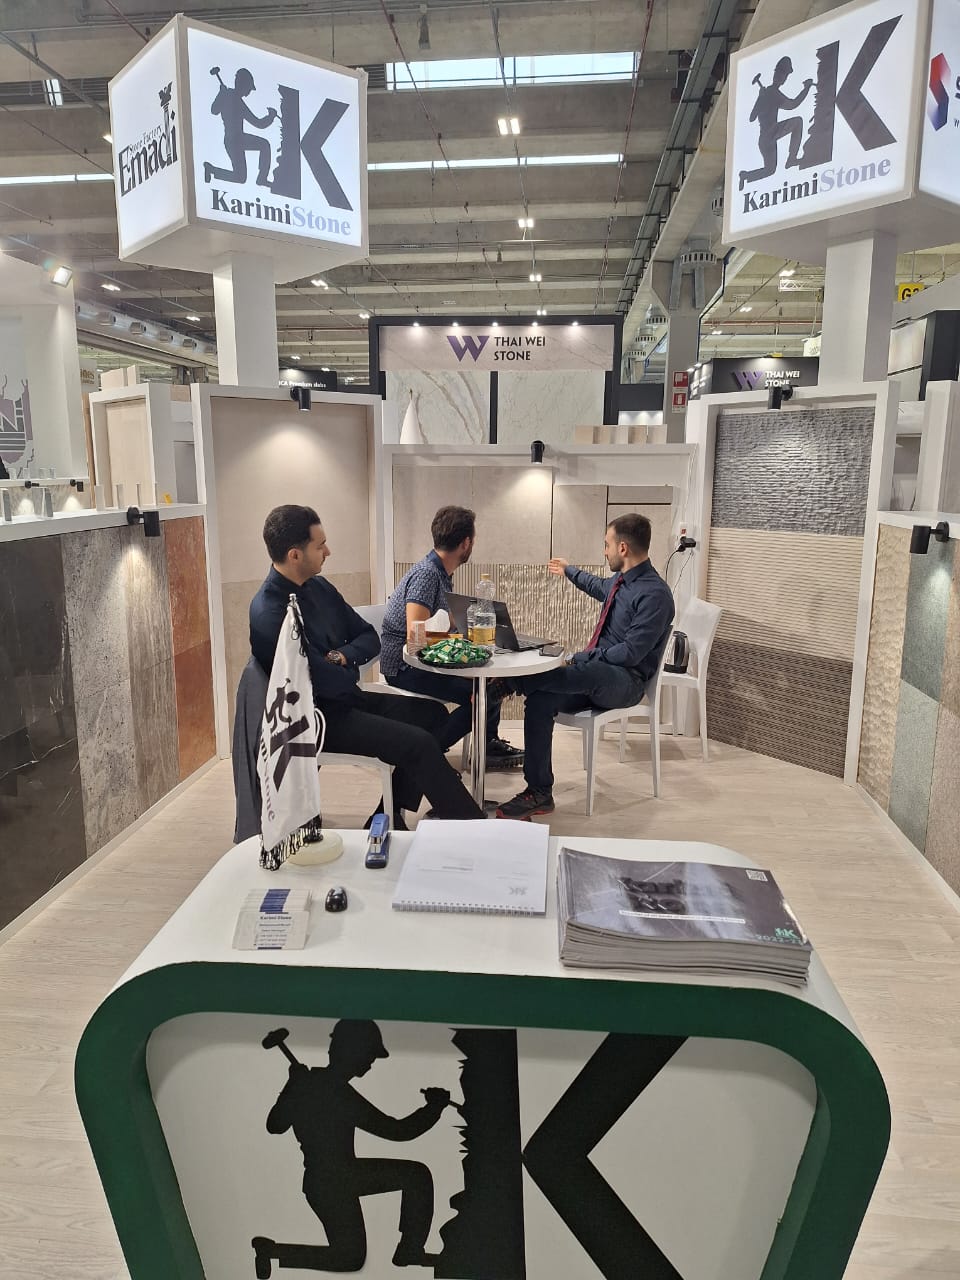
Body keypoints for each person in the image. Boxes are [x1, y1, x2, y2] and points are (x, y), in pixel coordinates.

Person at [249, 504, 485, 827]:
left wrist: (340, 658)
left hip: (345, 699)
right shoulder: (269, 613)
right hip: (314, 720)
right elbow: (317, 680)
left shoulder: (319, 587)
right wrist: (346, 665)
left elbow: (369, 637)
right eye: (320, 545)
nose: (328, 551)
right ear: (295, 555)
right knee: (418, 744)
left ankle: (388, 815)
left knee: (433, 716)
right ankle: (476, 827)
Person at [496, 513, 675, 820]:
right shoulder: (621, 581)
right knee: (540, 700)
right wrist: (569, 570)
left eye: (606, 545)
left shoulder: (655, 594)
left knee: (589, 665)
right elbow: (596, 585)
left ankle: (510, 683)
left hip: (626, 684)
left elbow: (631, 653)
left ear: (622, 548)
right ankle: (539, 792)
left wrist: (583, 658)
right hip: (594, 678)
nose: (604, 551)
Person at [253, 1020, 452, 1275]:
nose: (371, 1063)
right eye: (369, 1055)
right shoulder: (334, 1092)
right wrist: (434, 1108)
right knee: (416, 1176)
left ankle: (273, 1252)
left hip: (328, 1181)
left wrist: (293, 1089)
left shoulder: (318, 1086)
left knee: (350, 1258)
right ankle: (410, 1249)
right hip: (336, 1178)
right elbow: (397, 1131)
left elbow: (275, 1124)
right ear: (353, 1052)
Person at [380, 505, 523, 766]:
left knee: (491, 684)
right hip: (404, 666)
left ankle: (487, 745)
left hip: (420, 659)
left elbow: (438, 626)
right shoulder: (427, 575)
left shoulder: (439, 572)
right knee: (485, 694)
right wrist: (463, 656)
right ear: (466, 543)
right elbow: (416, 637)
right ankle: (423, 756)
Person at [738, 56, 814, 191]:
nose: (783, 78)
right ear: (777, 74)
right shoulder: (773, 93)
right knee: (798, 122)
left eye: (784, 75)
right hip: (771, 133)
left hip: (764, 140)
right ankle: (792, 158)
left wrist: (760, 98)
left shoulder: (766, 93)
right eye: (782, 74)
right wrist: (806, 88)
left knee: (770, 170)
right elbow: (793, 104)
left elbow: (752, 117)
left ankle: (746, 176)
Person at [203, 66, 278, 188]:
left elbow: (214, 110)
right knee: (264, 145)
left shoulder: (231, 97)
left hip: (231, 141)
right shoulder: (233, 99)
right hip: (237, 138)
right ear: (244, 85)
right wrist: (271, 116)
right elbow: (258, 123)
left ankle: (212, 170)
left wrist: (222, 94)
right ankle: (262, 178)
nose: (249, 92)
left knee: (240, 177)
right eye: (249, 88)